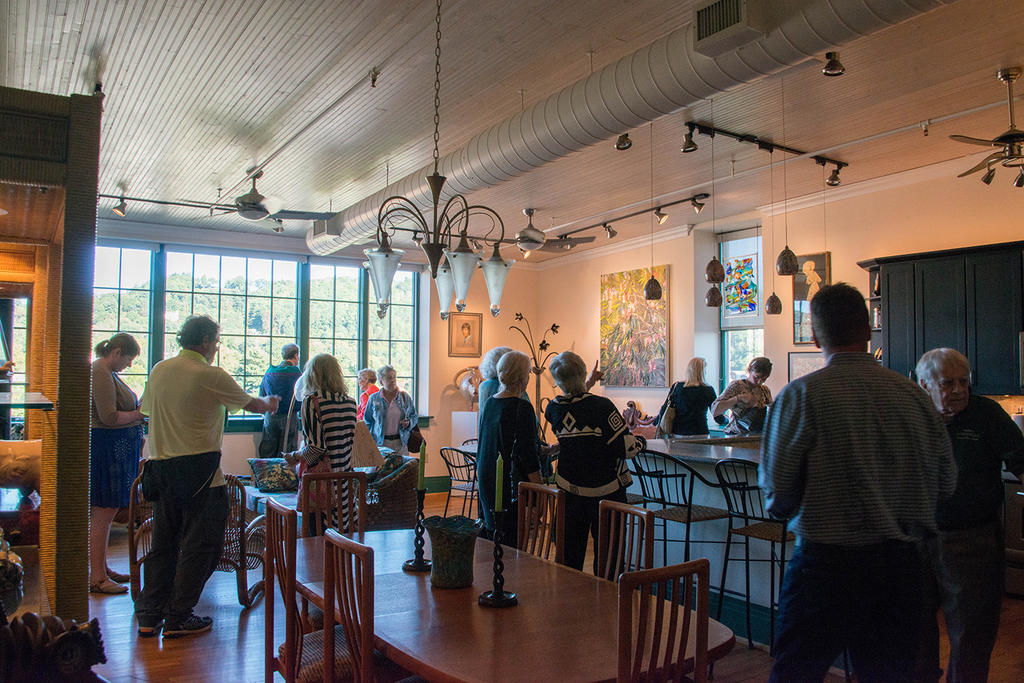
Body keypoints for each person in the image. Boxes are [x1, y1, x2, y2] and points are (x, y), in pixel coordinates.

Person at [759, 283, 956, 681]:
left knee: (796, 674)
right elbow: (947, 484)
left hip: (825, 566)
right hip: (901, 566)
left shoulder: (800, 396)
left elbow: (777, 496)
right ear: (868, 330)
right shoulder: (915, 397)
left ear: (815, 336)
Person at [134, 315, 279, 639]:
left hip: (158, 469)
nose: (216, 346)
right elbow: (252, 404)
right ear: (203, 341)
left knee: (163, 545)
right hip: (198, 472)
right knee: (204, 546)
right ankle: (178, 616)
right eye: (215, 340)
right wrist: (270, 403)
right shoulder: (209, 374)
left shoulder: (159, 370)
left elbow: (145, 411)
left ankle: (148, 615)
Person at [915, 348, 1024, 682]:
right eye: (948, 383)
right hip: (915, 540)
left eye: (965, 381)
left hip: (972, 541)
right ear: (924, 384)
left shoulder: (986, 414)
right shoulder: (910, 415)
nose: (960, 389)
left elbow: (1021, 461)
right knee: (914, 632)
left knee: (971, 635)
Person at [545, 351, 641, 572]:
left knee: (570, 558)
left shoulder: (554, 409)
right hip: (607, 491)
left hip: (570, 489)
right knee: (610, 556)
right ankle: (607, 602)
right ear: (583, 372)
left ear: (558, 380)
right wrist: (641, 443)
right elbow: (625, 447)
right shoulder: (602, 406)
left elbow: (575, 414)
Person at [89, 333, 145, 595]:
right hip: (108, 447)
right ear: (118, 351)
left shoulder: (106, 371)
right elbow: (109, 417)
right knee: (104, 511)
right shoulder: (100, 370)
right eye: (129, 358)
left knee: (107, 511)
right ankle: (98, 577)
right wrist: (140, 413)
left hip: (115, 447)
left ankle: (102, 568)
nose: (129, 365)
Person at [477, 351, 543, 543]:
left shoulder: (490, 403)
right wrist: (539, 491)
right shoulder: (522, 408)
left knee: (495, 542)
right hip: (512, 488)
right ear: (523, 378)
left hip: (489, 482)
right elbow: (528, 454)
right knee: (513, 549)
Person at [286, 353, 358, 529]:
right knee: (343, 535)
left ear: (312, 374)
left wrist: (295, 456)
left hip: (322, 483)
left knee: (318, 539)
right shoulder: (351, 402)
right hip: (345, 479)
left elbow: (316, 447)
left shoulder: (312, 402)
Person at [655, 357, 724, 436]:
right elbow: (717, 415)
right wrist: (726, 421)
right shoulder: (708, 389)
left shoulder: (677, 387)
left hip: (678, 432)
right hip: (700, 432)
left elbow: (664, 408)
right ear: (702, 371)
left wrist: (654, 424)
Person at [257, 343, 301, 458]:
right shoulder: (297, 374)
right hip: (289, 417)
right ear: (296, 355)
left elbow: (262, 394)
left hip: (270, 416)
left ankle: (267, 475)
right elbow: (301, 398)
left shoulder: (270, 372)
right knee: (287, 453)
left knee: (268, 451)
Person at [711, 356, 773, 434]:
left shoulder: (765, 390)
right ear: (749, 370)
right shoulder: (737, 386)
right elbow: (715, 411)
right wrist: (738, 398)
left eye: (763, 379)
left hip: (756, 435)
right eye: (756, 377)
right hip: (736, 434)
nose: (759, 382)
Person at [363, 364, 417, 453]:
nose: (393, 381)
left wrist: (409, 423)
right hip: (380, 444)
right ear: (381, 382)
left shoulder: (405, 397)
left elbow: (414, 416)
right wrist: (369, 442)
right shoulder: (373, 398)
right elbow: (368, 421)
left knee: (403, 467)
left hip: (401, 443)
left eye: (394, 377)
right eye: (389, 378)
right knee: (381, 467)